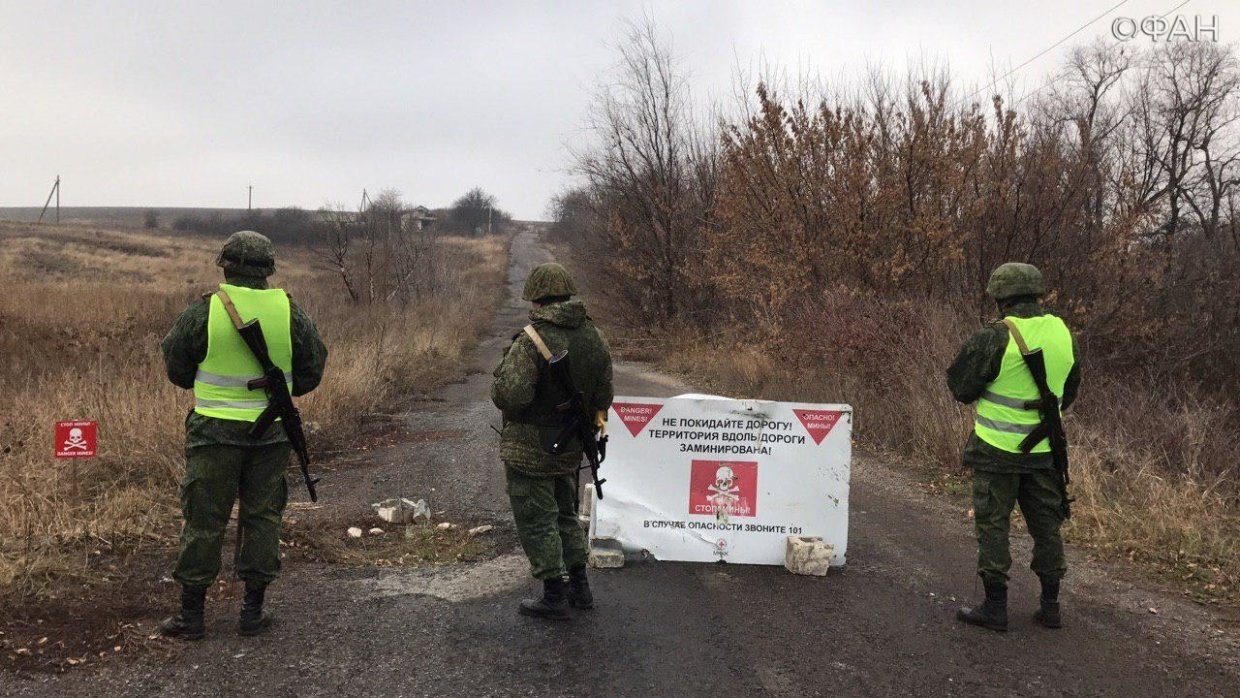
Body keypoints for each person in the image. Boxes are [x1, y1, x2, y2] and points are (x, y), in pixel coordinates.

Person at [158, 230, 328, 639]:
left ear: (226, 265)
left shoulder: (207, 310)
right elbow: (312, 367)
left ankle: (191, 616)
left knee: (203, 519)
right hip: (271, 435)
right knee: (264, 516)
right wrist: (280, 394)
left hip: (213, 432)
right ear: (269, 269)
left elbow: (177, 365)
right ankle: (252, 612)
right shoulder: (290, 311)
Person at [948, 262, 1081, 632]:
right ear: (1039, 294)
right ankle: (1051, 607)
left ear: (1000, 298)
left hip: (996, 451)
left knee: (993, 525)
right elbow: (1069, 391)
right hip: (1045, 453)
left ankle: (995, 608)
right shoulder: (1062, 332)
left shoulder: (993, 338)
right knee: (1047, 527)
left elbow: (960, 389)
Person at [491, 262, 613, 620]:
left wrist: (495, 384)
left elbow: (511, 395)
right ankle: (580, 586)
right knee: (566, 513)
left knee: (535, 516)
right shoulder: (595, 336)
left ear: (537, 301)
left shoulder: (534, 339)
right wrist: (593, 426)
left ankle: (553, 592)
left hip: (530, 446)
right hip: (571, 442)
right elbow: (603, 395)